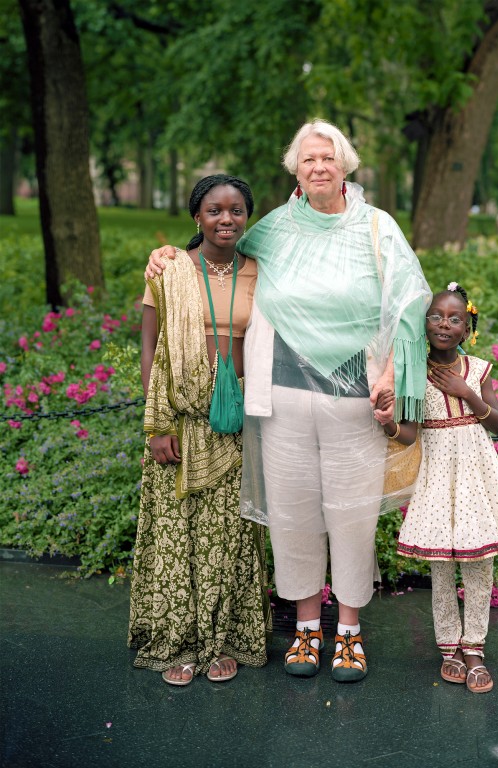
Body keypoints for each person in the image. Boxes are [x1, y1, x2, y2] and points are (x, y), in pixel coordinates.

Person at [145, 119, 431, 683]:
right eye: (307, 160)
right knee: (294, 516)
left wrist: (396, 377)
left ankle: (348, 630)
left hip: (354, 400)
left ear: (345, 164)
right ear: (295, 171)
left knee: (349, 517)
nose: (318, 167)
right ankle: (306, 627)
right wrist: (167, 257)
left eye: (327, 157)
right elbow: (217, 248)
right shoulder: (274, 228)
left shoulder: (377, 227)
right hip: (280, 398)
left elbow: (410, 301)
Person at [129, 174, 270, 687]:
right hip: (182, 421)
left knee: (231, 534)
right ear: (197, 217)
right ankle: (181, 642)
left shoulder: (258, 271)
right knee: (180, 533)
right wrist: (158, 422)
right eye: (215, 210)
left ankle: (224, 639)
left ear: (247, 217)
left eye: (236, 211)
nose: (226, 219)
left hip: (237, 421)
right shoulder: (168, 269)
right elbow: (150, 348)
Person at [378, 283, 498, 693]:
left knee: (480, 566)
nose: (444, 323)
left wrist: (468, 395)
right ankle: (449, 648)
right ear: (424, 324)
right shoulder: (413, 372)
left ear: (467, 328)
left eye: (454, 318)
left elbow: (497, 423)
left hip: (477, 478)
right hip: (439, 479)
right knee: (442, 569)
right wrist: (388, 422)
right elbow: (408, 434)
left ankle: (474, 648)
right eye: (436, 316)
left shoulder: (478, 370)